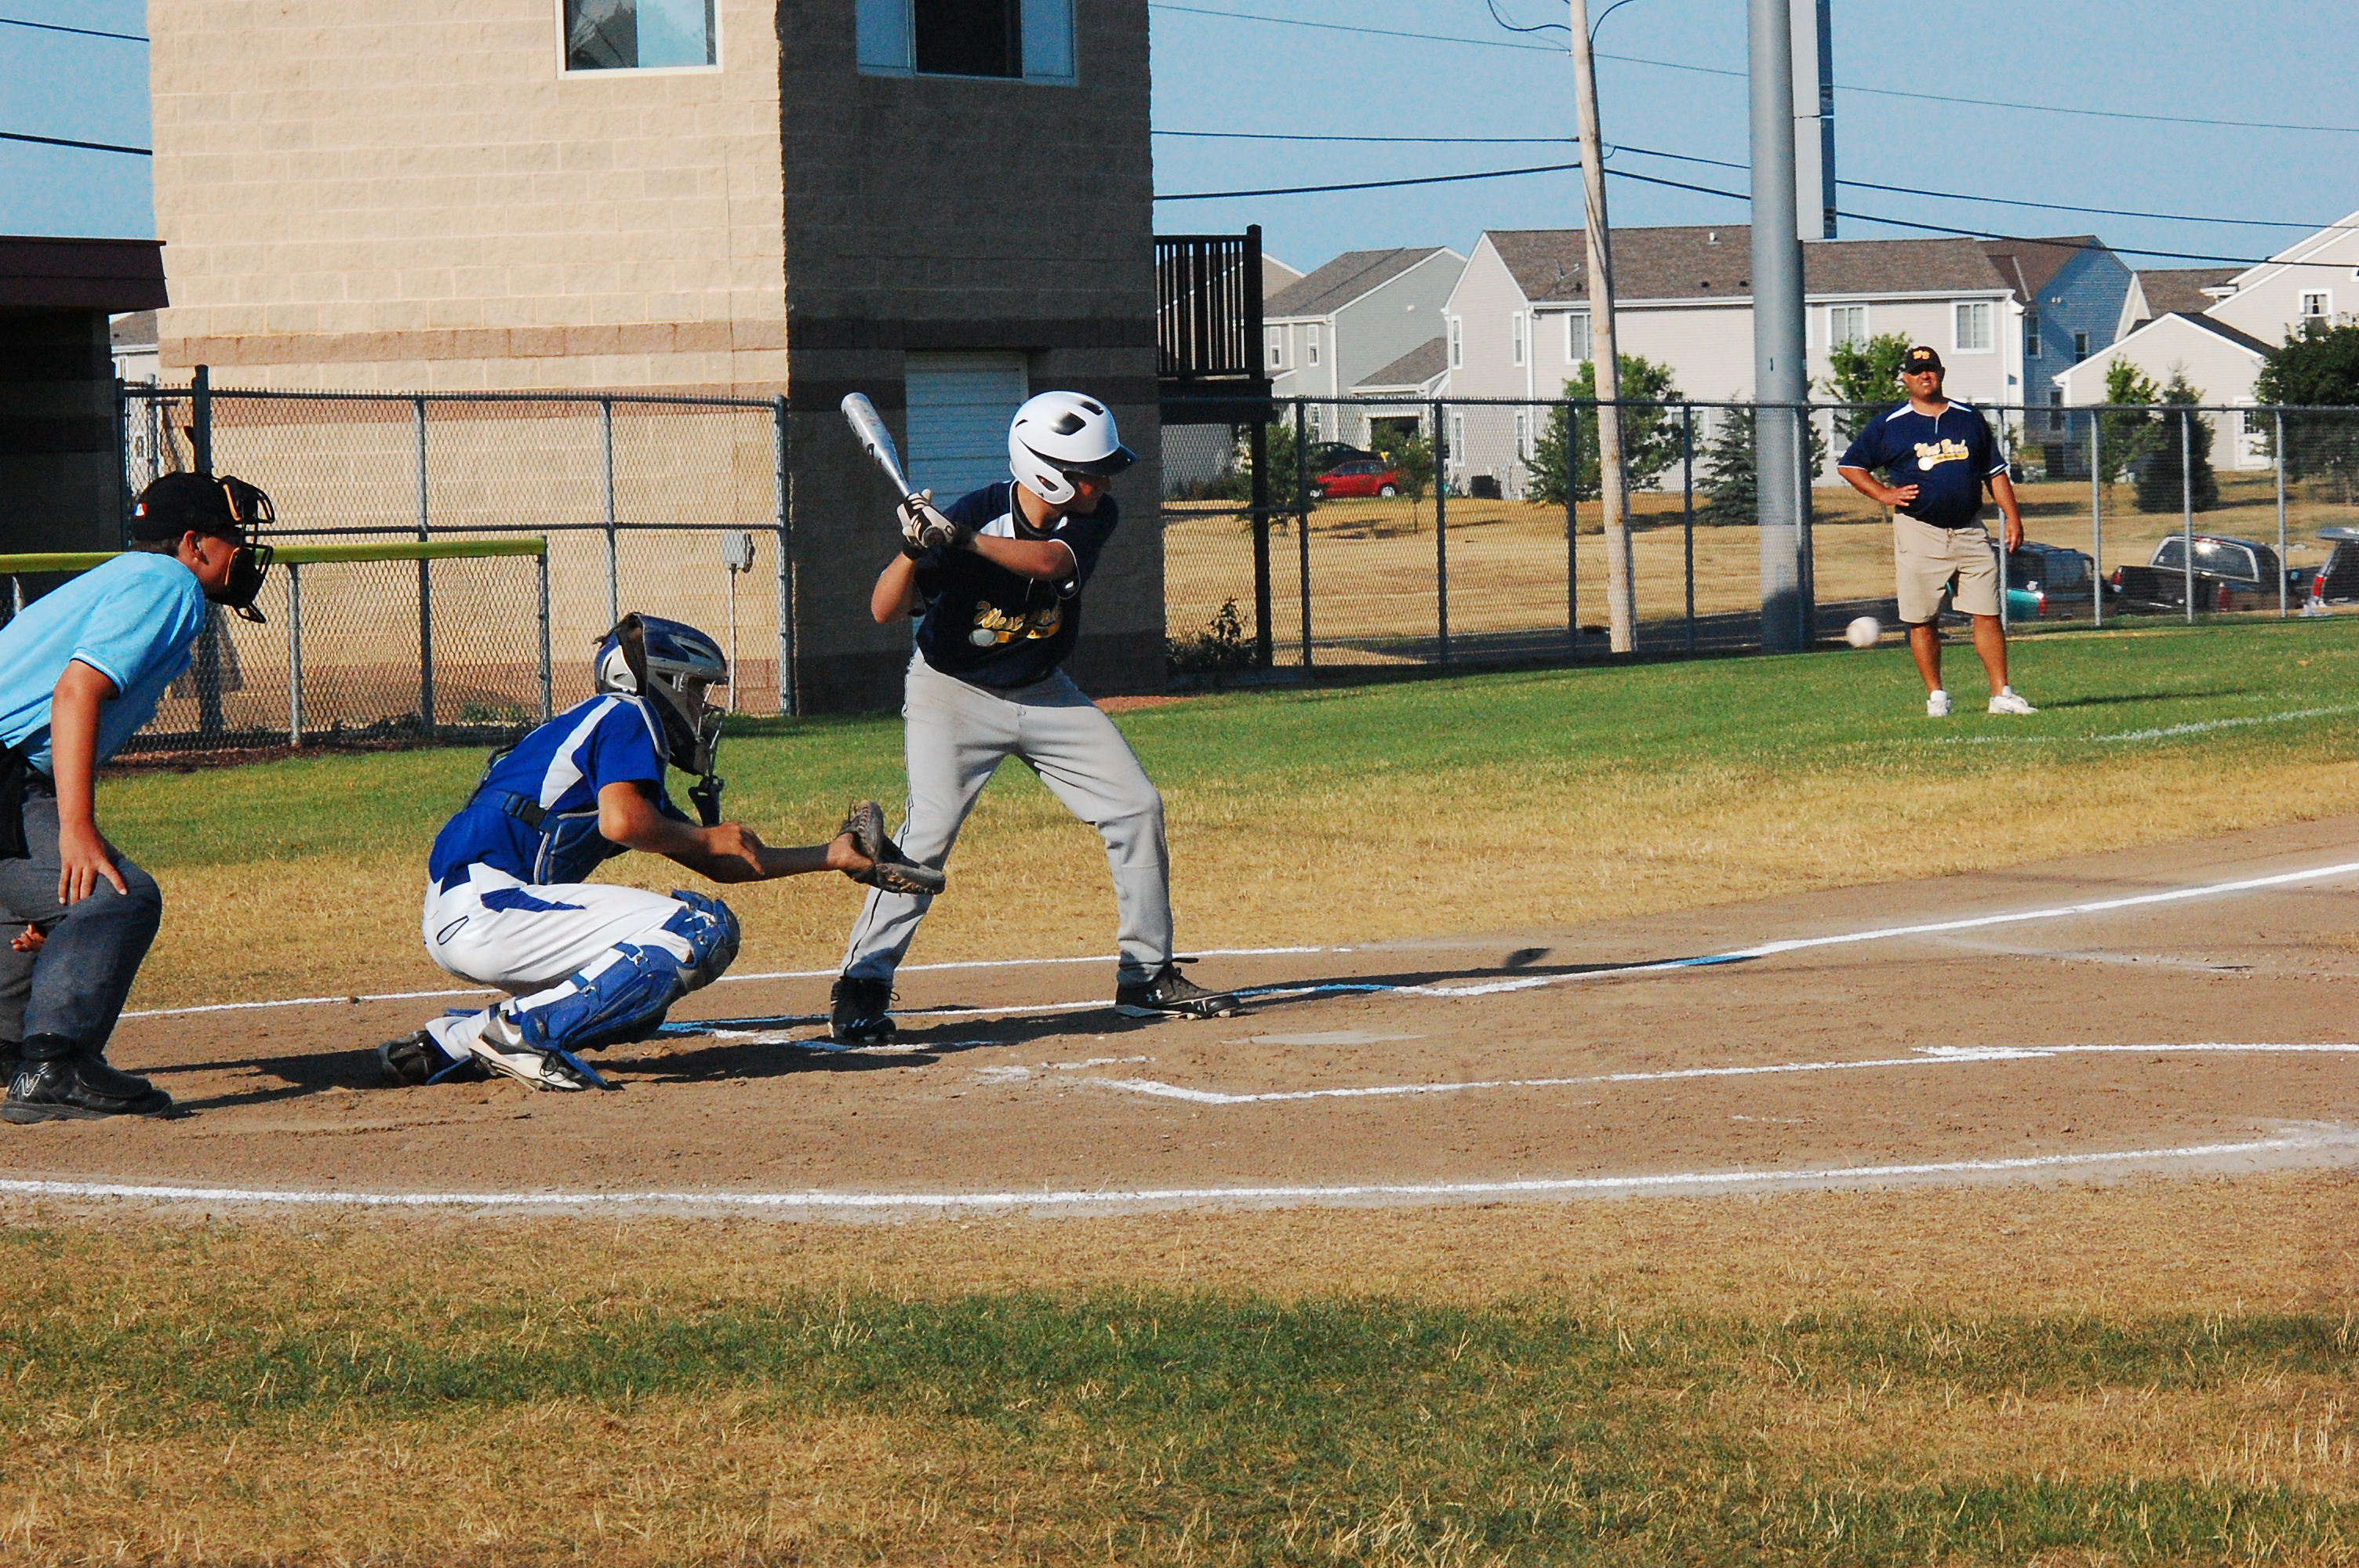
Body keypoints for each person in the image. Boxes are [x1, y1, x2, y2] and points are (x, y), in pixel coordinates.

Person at [829, 390, 1239, 1044]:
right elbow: (883, 610)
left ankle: (1145, 976)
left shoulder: (1087, 517)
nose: (1103, 484)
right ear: (1049, 474)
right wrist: (911, 550)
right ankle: (862, 985)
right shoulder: (974, 513)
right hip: (951, 695)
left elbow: (1050, 563)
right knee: (926, 836)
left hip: (1045, 691)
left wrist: (962, 541)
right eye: (1090, 473)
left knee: (1135, 807)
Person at [381, 613, 940, 1091]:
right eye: (694, 689)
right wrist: (705, 836)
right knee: (699, 929)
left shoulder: (598, 736)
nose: (701, 705)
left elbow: (718, 860)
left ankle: (451, 1041)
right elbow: (624, 824)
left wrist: (831, 855)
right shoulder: (628, 714)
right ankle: (519, 1033)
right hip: (492, 908)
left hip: (471, 913)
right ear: (661, 681)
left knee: (636, 1003)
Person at [0, 471, 278, 1121]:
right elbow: (76, 691)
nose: (242, 552)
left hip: (10, 773)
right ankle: (55, 1066)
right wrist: (76, 827)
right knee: (116, 897)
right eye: (232, 537)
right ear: (194, 543)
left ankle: (9, 1051)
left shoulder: (126, 576)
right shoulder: (167, 583)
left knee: (34, 910)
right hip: (6, 771)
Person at [1836, 345, 2037, 717]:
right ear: (1906, 379)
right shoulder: (1890, 424)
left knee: (1987, 612)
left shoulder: (1968, 419)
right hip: (1920, 531)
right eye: (1917, 371)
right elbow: (1850, 466)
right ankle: (1937, 696)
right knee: (1923, 619)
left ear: (1941, 373)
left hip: (1969, 531)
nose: (1924, 376)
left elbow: (1994, 473)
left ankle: (2001, 694)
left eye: (1930, 369)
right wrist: (1884, 494)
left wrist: (2013, 517)